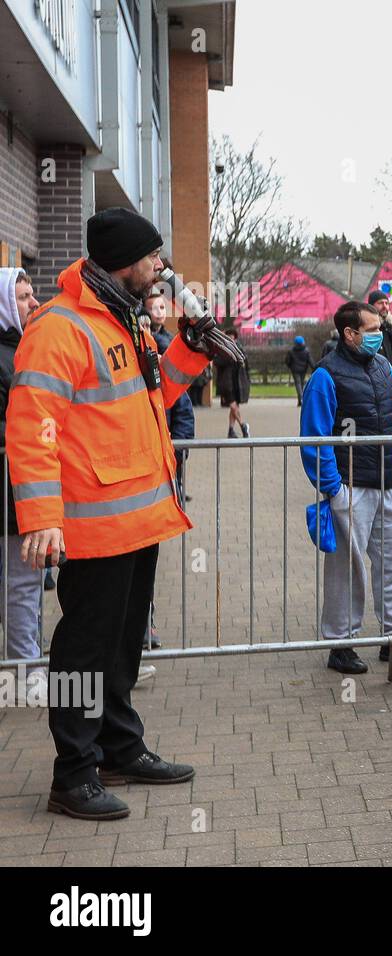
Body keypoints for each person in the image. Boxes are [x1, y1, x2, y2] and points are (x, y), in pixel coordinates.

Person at [8, 206, 218, 820]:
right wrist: (41, 516)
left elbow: (151, 398)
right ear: (124, 261)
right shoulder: (60, 327)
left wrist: (190, 346)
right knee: (84, 649)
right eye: (153, 257)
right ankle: (72, 774)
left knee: (123, 643)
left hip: (136, 520)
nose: (161, 268)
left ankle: (119, 748)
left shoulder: (122, 319)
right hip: (93, 526)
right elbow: (32, 426)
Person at [301, 300, 392, 675]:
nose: (380, 334)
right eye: (373, 329)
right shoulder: (326, 375)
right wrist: (333, 488)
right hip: (351, 488)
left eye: (380, 328)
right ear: (350, 333)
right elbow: (315, 436)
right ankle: (341, 644)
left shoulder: (384, 368)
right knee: (347, 569)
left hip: (389, 483)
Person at [0, 268, 46, 701]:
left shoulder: (21, 349)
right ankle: (24, 672)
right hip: (11, 490)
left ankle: (27, 660)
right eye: (23, 296)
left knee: (27, 581)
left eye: (33, 294)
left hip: (23, 488)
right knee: (21, 581)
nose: (34, 303)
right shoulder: (6, 355)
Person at [214, 326, 251, 438]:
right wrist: (228, 354)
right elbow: (217, 362)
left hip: (237, 383)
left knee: (234, 408)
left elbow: (246, 366)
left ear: (235, 339)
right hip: (226, 384)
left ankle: (231, 430)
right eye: (228, 337)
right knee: (233, 406)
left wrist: (247, 380)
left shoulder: (240, 350)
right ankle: (243, 425)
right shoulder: (221, 350)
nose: (230, 340)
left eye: (232, 338)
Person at [367, 290, 392, 369]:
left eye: (386, 303)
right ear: (371, 306)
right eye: (380, 303)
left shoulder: (388, 328)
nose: (385, 306)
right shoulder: (368, 329)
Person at [284, 334, 314, 406]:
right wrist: (314, 368)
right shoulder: (306, 351)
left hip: (295, 370)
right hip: (303, 369)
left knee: (298, 384)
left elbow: (287, 361)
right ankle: (300, 399)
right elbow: (310, 361)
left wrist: (290, 366)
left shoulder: (291, 351)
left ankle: (300, 399)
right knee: (301, 383)